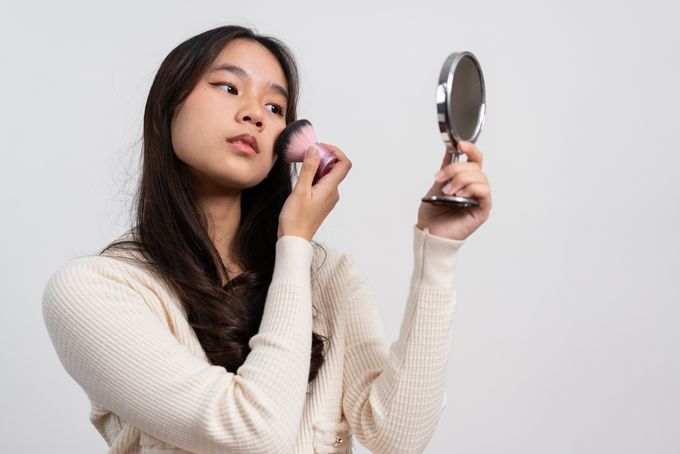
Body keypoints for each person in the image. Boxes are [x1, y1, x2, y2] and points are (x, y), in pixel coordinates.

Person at [41, 24, 492, 454]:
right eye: (228, 87)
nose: (254, 113)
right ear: (167, 104)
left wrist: (438, 251)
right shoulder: (95, 290)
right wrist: (293, 242)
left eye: (275, 108)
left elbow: (397, 435)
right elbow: (254, 434)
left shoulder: (328, 276)